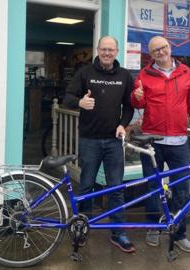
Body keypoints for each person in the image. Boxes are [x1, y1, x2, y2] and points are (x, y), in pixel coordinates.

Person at [131, 36, 190, 253]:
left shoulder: (185, 73)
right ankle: (153, 228)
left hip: (178, 141)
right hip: (152, 141)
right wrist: (137, 96)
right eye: (156, 50)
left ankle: (179, 233)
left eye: (163, 47)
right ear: (151, 55)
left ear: (170, 48)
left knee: (181, 188)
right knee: (152, 186)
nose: (161, 52)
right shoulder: (144, 74)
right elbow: (137, 103)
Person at [63, 36, 135, 253]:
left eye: (111, 50)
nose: (107, 53)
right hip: (89, 140)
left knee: (116, 188)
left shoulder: (124, 76)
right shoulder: (85, 73)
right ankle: (82, 227)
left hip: (114, 141)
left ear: (117, 51)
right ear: (97, 50)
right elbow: (67, 97)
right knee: (86, 187)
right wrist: (80, 102)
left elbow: (129, 107)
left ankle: (118, 233)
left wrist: (123, 125)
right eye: (103, 49)